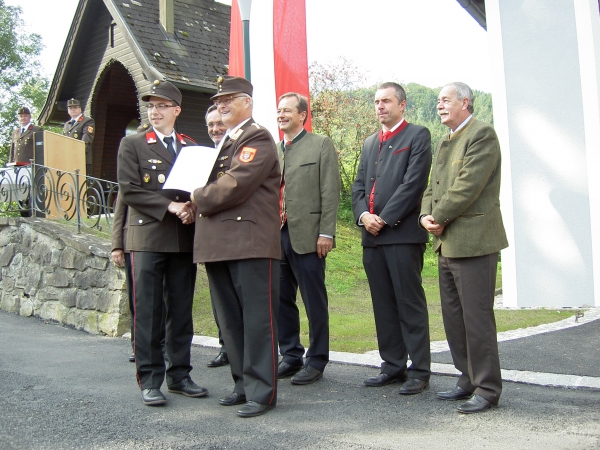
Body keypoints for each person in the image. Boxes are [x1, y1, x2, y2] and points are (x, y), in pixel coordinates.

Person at [192, 76, 281, 418]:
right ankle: (243, 385)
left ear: (247, 102)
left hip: (250, 244)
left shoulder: (255, 137)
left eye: (229, 99)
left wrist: (195, 198)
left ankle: (262, 392)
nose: (222, 105)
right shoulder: (224, 141)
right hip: (220, 245)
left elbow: (234, 185)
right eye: (218, 101)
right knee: (230, 322)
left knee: (257, 321)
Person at [420, 82, 508, 414]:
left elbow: (468, 184)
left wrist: (439, 216)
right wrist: (426, 215)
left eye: (446, 100)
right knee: (454, 318)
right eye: (438, 101)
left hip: (474, 242)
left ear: (465, 103)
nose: (439, 105)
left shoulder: (482, 134)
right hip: (447, 243)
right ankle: (467, 377)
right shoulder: (445, 141)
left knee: (476, 319)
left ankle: (487, 388)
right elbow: (433, 186)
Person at [117, 80, 206, 406]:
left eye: (161, 106)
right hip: (148, 238)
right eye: (151, 106)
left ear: (176, 110)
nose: (154, 111)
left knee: (181, 313)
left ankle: (180, 375)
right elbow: (129, 191)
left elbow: (197, 187)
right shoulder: (134, 145)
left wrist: (193, 207)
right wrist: (170, 206)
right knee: (149, 313)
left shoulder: (189, 147)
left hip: (182, 239)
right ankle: (151, 379)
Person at [352, 82, 432, 395]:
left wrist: (383, 219)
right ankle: (392, 366)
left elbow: (413, 185)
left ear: (402, 105)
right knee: (383, 305)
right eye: (376, 101)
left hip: (401, 235)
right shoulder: (370, 142)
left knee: (409, 304)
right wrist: (363, 217)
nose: (380, 106)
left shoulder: (417, 135)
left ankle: (420, 370)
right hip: (371, 238)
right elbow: (359, 186)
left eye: (386, 101)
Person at [275, 92, 340, 385]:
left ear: (303, 115)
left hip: (310, 237)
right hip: (276, 237)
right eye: (279, 110)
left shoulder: (320, 144)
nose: (281, 115)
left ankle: (316, 360)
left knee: (314, 300)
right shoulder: (275, 150)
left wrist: (326, 233)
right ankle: (290, 355)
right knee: (280, 299)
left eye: (288, 110)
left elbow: (330, 191)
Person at [203, 104, 229, 368]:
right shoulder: (202, 156)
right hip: (210, 235)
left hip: (234, 235)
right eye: (210, 125)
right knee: (218, 296)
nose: (215, 129)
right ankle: (226, 345)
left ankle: (240, 346)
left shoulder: (236, 153)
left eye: (219, 123)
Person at [9, 106, 42, 217]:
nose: (23, 118)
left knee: (29, 190)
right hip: (17, 166)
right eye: (21, 116)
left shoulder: (36, 130)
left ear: (29, 117)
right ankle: (22, 213)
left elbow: (39, 148)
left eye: (25, 116)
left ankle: (31, 213)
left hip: (29, 165)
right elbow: (12, 150)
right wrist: (10, 163)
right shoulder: (16, 132)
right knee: (19, 190)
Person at [63, 98, 95, 175]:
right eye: (70, 108)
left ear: (80, 109)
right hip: (68, 159)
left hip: (82, 158)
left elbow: (86, 139)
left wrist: (75, 152)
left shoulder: (87, 121)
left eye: (75, 107)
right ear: (68, 110)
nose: (73, 110)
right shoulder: (67, 124)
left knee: (83, 185)